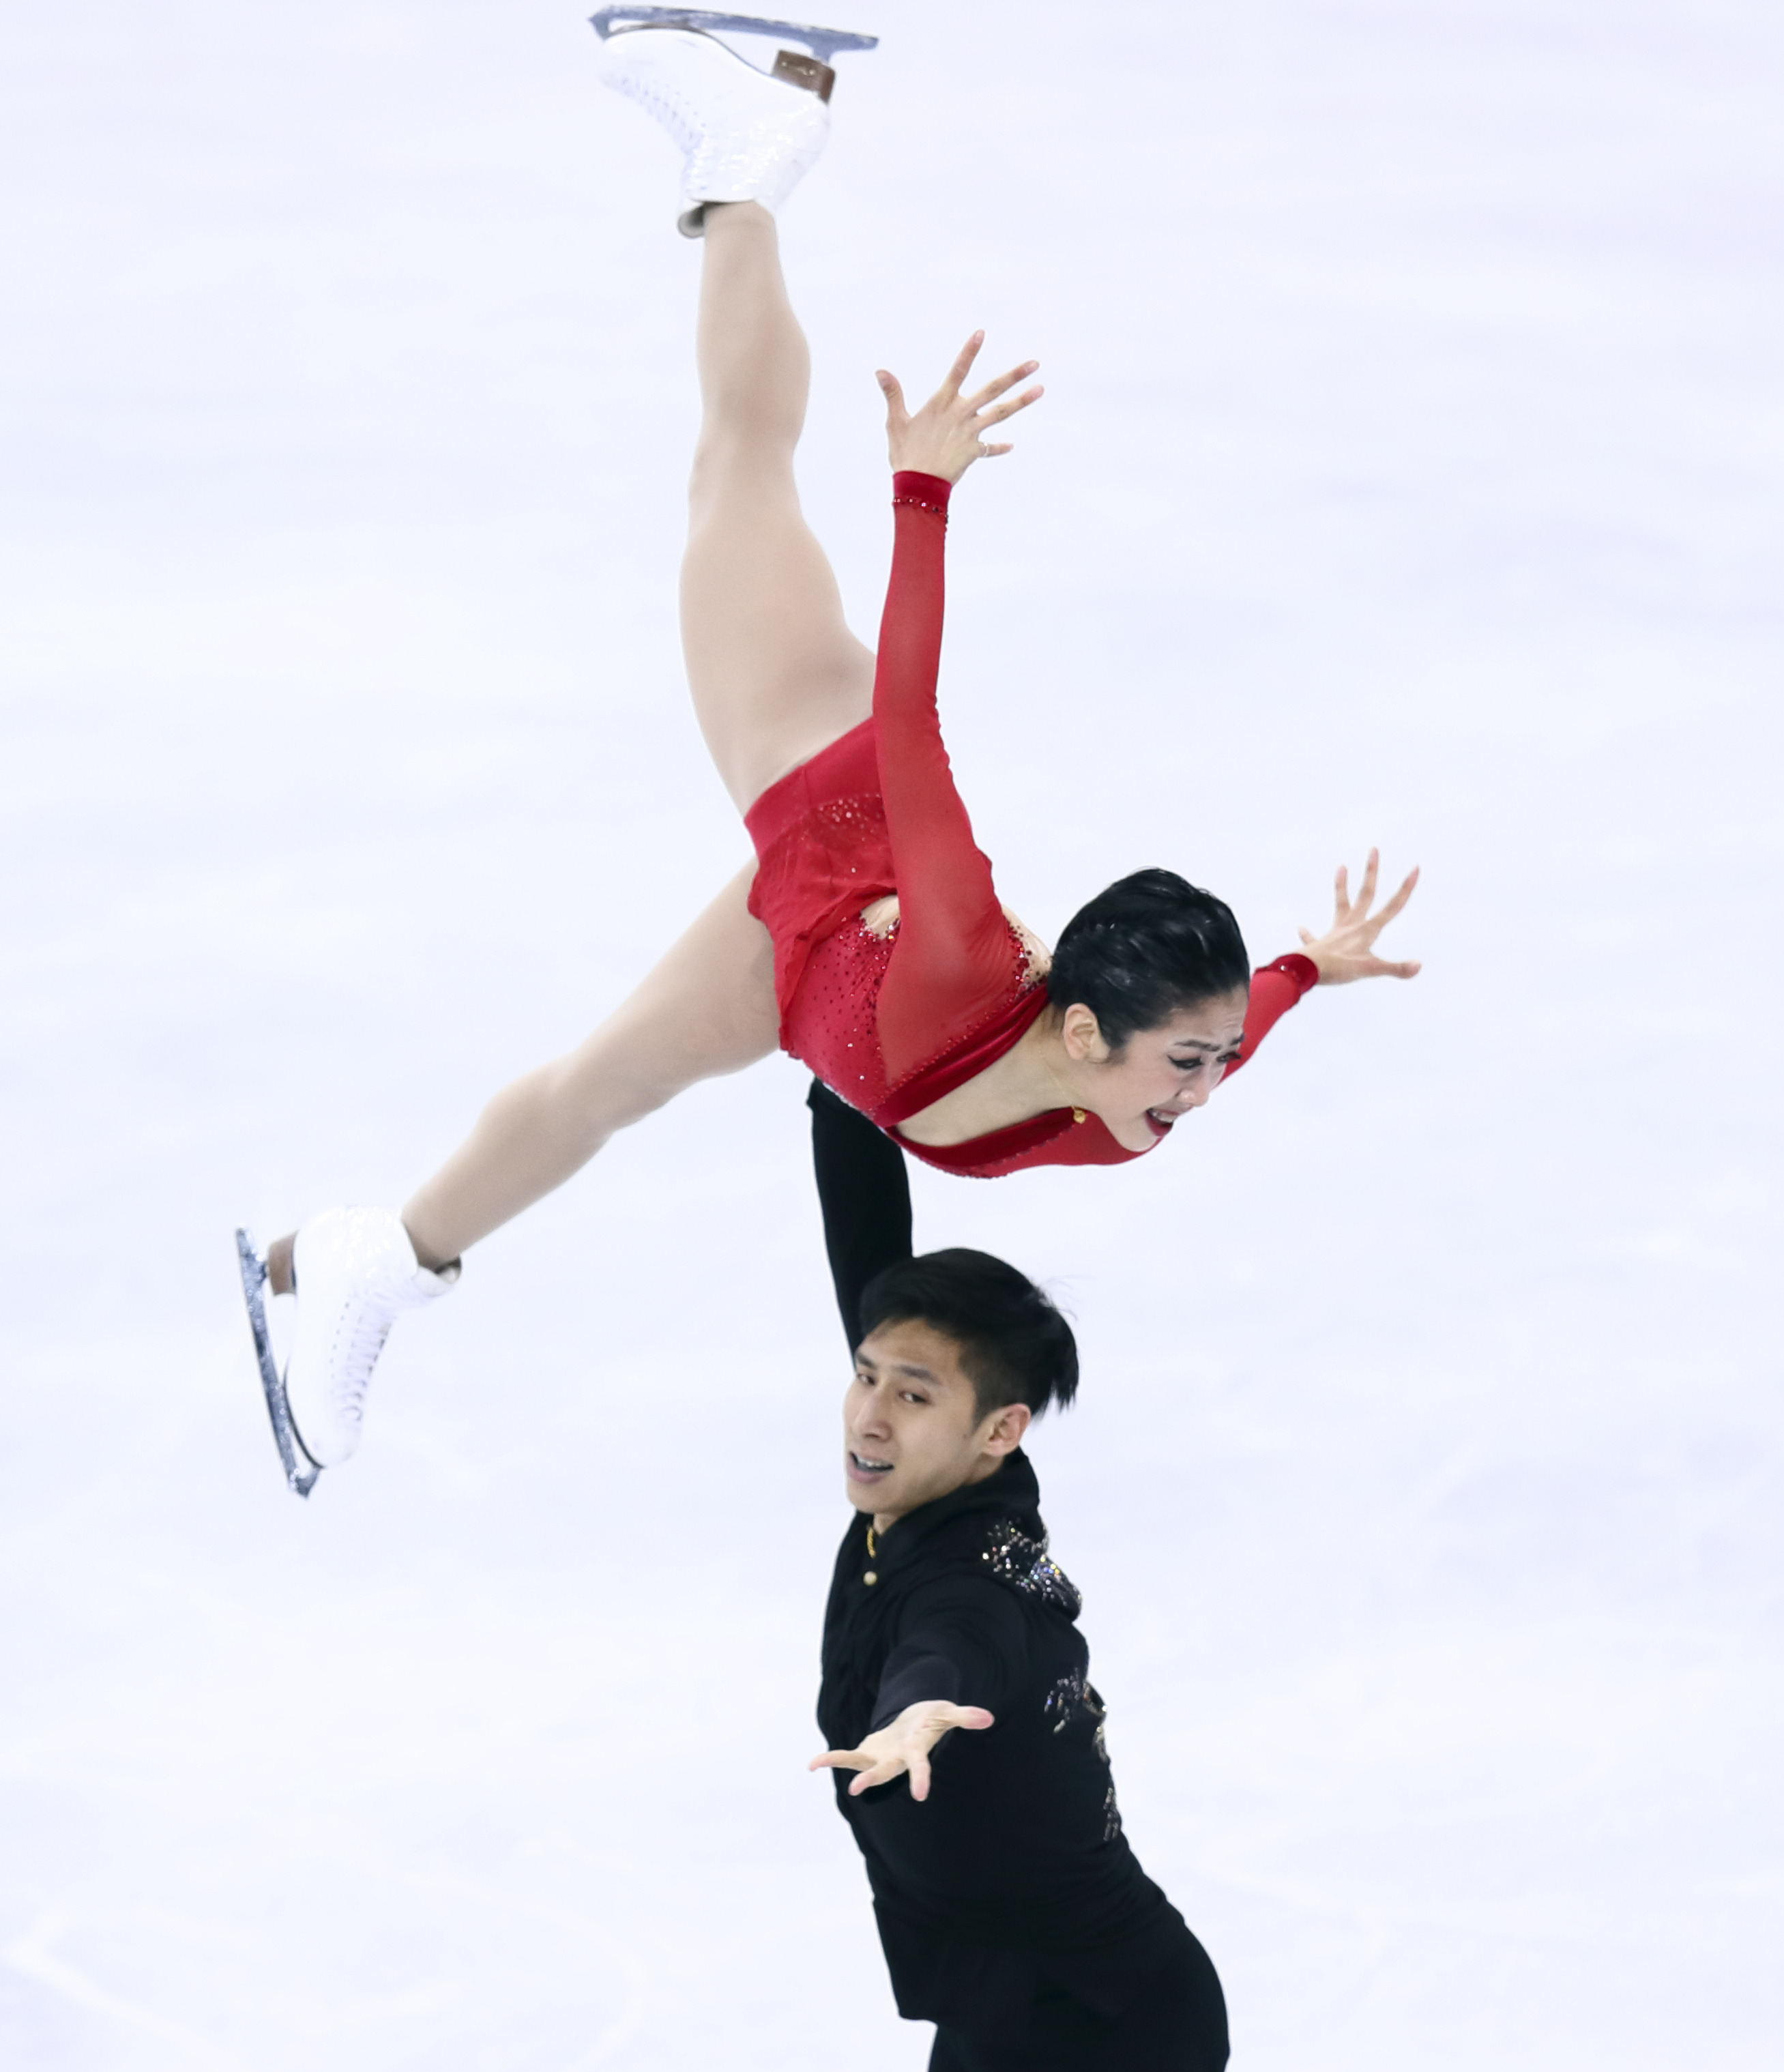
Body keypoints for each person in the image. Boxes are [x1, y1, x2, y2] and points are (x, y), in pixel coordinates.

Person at [237, 10, 1420, 1493]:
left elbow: (1246, 1005)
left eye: (1214, 1060)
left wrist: (1316, 968)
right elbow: (911, 731)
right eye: (1191, 1063)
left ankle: (379, 1254)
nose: (1204, 1092)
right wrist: (922, 498)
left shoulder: (1133, 1093)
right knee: (738, 459)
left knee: (603, 1087)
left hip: (806, 976)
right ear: (1082, 1032)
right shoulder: (961, 954)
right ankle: (747, 163)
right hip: (828, 778)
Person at [806, 1081, 1227, 2072]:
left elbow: (958, 1650)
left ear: (1002, 1432)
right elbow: (870, 1250)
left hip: (1118, 2038)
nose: (869, 1414)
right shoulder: (930, 1462)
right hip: (988, 2028)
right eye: (868, 1374)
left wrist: (919, 1713)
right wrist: (843, 1069)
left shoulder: (977, 1583)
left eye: (912, 1393)